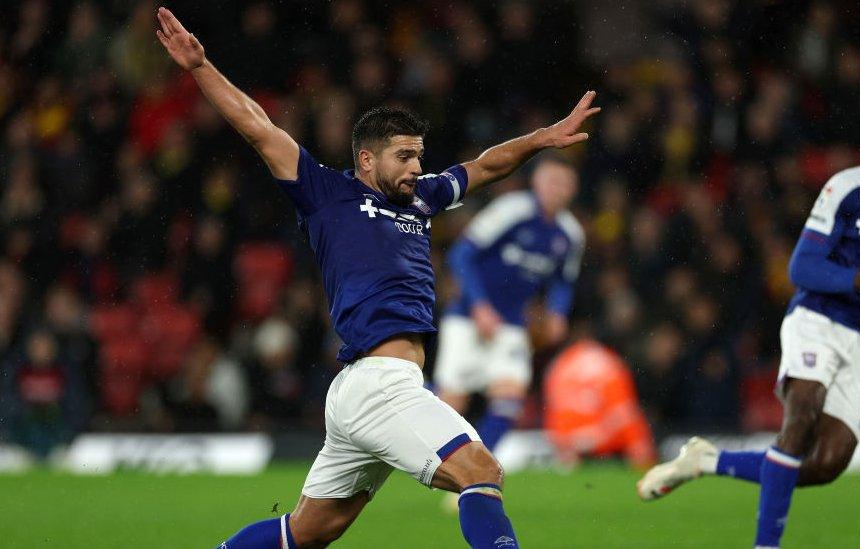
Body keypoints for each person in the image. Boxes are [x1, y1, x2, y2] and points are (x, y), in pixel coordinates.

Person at [154, 7, 600, 549]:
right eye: (404, 156)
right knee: (482, 472)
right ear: (366, 159)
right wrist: (200, 67)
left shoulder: (423, 199)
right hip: (378, 386)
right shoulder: (327, 194)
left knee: (309, 532)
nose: (417, 168)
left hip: (366, 388)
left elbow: (484, 167)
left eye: (419, 156)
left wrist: (540, 139)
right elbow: (258, 127)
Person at [636, 102, 860, 549]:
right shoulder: (852, 185)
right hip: (817, 319)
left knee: (825, 464)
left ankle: (705, 462)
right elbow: (802, 268)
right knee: (801, 414)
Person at [435, 155, 584, 460]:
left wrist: (557, 311)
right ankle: (436, 463)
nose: (557, 189)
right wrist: (479, 306)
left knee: (510, 396)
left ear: (573, 189)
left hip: (513, 323)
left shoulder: (570, 234)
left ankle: (479, 467)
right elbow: (461, 255)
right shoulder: (511, 210)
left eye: (565, 183)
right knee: (451, 400)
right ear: (537, 182)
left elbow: (562, 281)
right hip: (467, 317)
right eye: (552, 180)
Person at [543, 338, 655, 470]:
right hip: (608, 448)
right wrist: (639, 445)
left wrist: (564, 443)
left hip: (571, 446)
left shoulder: (560, 365)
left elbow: (555, 412)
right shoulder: (609, 364)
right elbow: (623, 410)